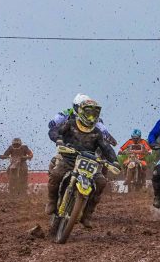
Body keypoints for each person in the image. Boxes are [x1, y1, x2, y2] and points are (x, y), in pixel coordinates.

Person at [38, 98, 118, 236]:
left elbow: (106, 147)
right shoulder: (70, 124)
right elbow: (54, 131)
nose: (91, 116)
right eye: (88, 113)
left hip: (89, 163)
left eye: (94, 113)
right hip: (69, 159)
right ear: (81, 111)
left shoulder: (97, 132)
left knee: (101, 182)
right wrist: (58, 139)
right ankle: (51, 201)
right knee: (56, 174)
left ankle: (87, 214)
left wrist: (114, 161)